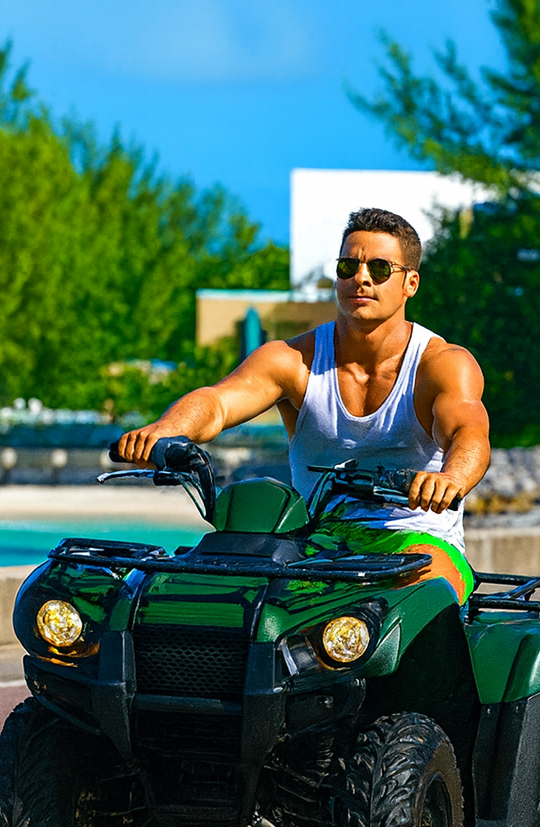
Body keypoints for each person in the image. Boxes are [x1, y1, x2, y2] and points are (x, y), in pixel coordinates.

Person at [115, 207, 490, 602]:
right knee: (208, 596)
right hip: (314, 540)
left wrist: (450, 480)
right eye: (348, 266)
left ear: (410, 283)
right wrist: (165, 430)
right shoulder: (293, 360)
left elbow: (469, 433)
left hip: (415, 540)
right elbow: (218, 402)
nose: (360, 278)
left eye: (380, 269)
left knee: (420, 590)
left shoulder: (441, 364)